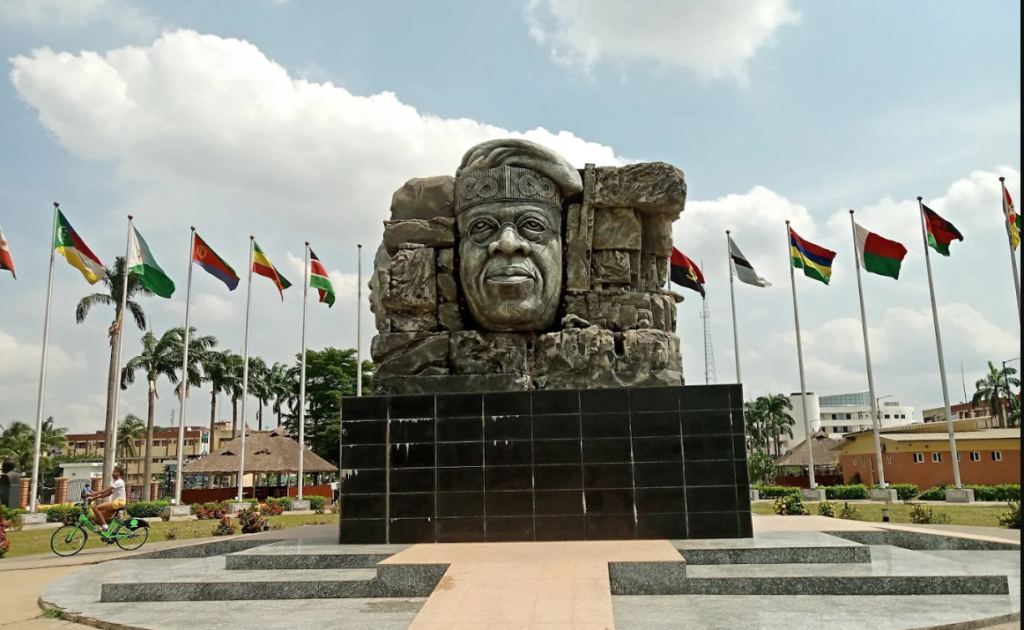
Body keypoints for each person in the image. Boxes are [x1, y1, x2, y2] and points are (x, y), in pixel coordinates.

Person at [87, 466, 127, 536]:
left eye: (114, 472)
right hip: (117, 502)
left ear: (119, 473)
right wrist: (95, 497)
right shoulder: (116, 482)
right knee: (101, 519)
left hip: (119, 502)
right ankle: (108, 534)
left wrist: (92, 494)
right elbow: (108, 493)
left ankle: (105, 527)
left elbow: (106, 490)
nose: (112, 474)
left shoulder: (119, 482)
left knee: (96, 508)